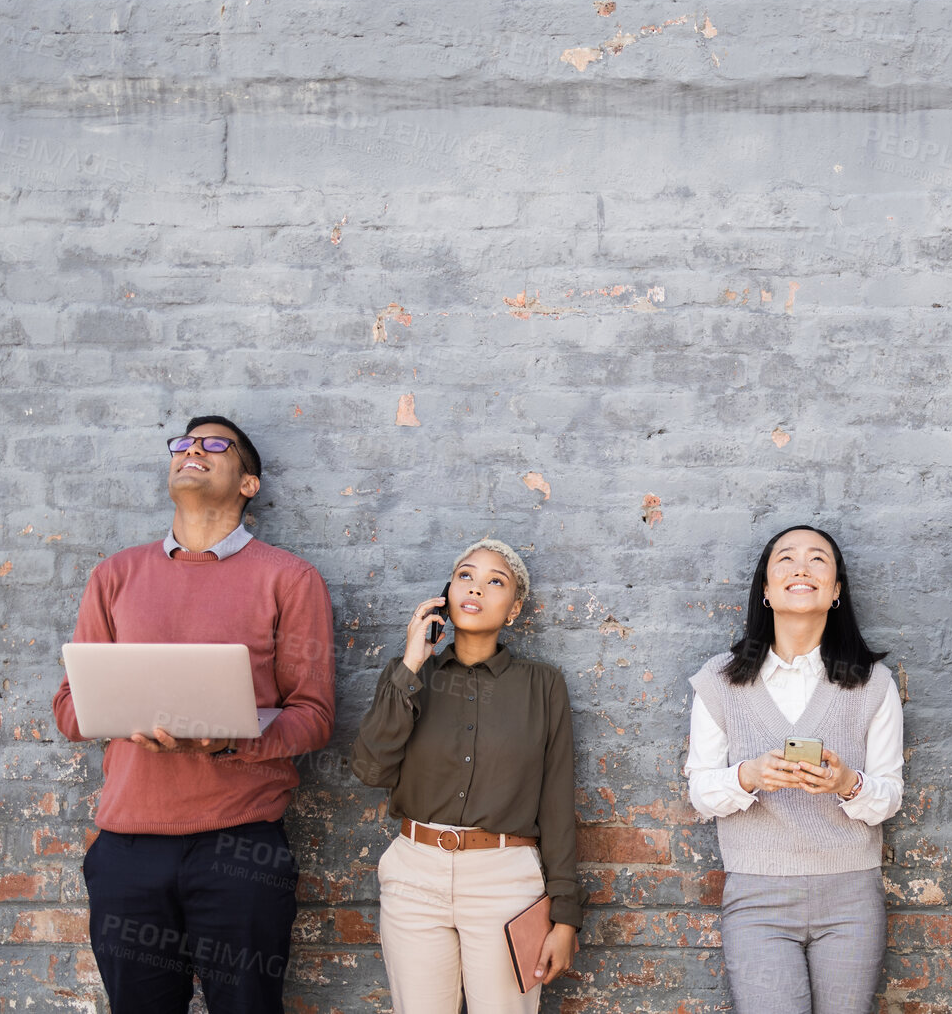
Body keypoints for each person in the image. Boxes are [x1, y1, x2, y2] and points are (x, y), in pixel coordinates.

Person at [51, 415, 336, 1014]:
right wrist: (121, 712)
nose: (192, 452)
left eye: (214, 445)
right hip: (127, 848)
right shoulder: (115, 576)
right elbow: (69, 710)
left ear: (248, 483)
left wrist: (229, 743)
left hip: (240, 850)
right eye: (182, 444)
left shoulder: (290, 579)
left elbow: (313, 717)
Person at [351, 538, 580, 1014]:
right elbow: (371, 767)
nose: (475, 588)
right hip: (415, 872)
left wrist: (565, 914)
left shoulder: (542, 685)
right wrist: (413, 660)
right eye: (465, 576)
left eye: (495, 581)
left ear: (514, 609)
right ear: (446, 593)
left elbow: (557, 803)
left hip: (504, 880)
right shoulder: (410, 676)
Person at [685, 526, 904, 1014]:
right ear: (765, 589)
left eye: (817, 559)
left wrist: (849, 784)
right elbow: (700, 791)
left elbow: (889, 795)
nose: (801, 567)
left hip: (851, 895)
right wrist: (749, 776)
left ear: (836, 591)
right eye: (785, 558)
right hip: (756, 896)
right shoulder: (721, 680)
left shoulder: (873, 684)